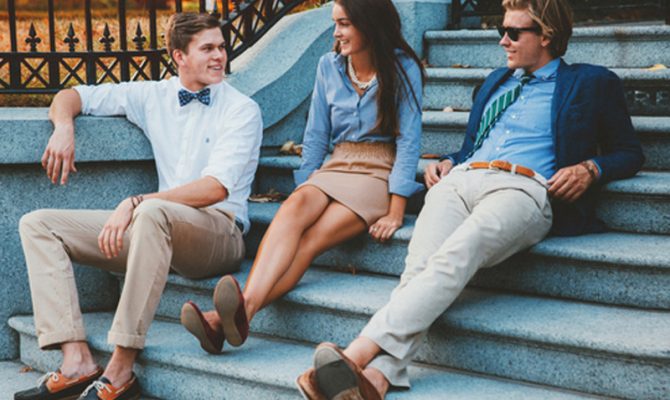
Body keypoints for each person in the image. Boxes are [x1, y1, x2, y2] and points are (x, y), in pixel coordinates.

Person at [297, 0, 645, 398]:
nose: (502, 41)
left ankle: (356, 354)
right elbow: (473, 148)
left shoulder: (591, 82)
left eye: (513, 33)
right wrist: (448, 162)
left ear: (546, 36)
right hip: (462, 180)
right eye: (501, 30)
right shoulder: (495, 82)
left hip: (523, 188)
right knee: (418, 267)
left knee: (456, 253)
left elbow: (629, 153)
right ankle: (378, 379)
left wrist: (590, 169)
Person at [14, 13, 262, 400]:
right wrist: (64, 127)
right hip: (155, 230)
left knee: (151, 213)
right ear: (179, 56)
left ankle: (122, 365)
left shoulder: (241, 109)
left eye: (221, 47)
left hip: (218, 233)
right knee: (38, 224)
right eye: (208, 48)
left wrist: (135, 202)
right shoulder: (152, 96)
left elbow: (215, 188)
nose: (220, 56)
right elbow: (73, 95)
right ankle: (76, 360)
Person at [179, 0, 425, 365]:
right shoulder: (328, 65)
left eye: (344, 24)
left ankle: (234, 315)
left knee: (310, 241)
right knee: (295, 207)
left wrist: (395, 209)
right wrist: (308, 187)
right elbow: (316, 133)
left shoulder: (403, 67)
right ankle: (239, 316)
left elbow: (408, 141)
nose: (336, 32)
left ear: (369, 24)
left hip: (377, 172)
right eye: (335, 23)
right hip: (336, 164)